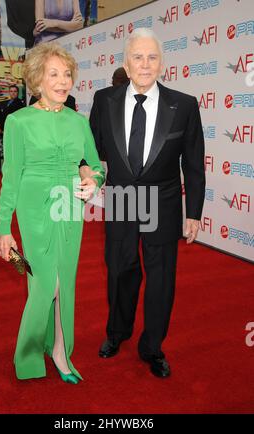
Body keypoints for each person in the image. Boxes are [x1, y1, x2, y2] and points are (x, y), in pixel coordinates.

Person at [89, 28, 205, 378]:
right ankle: (117, 332)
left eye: (152, 57)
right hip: (122, 198)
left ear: (162, 64)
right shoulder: (104, 99)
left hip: (164, 202)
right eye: (137, 57)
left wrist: (194, 214)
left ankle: (152, 346)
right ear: (126, 63)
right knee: (120, 271)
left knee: (161, 279)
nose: (145, 64)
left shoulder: (183, 105)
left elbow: (194, 164)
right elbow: (91, 153)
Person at [0, 42, 105, 382]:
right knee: (46, 283)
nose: (62, 81)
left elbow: (95, 165)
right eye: (53, 74)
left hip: (70, 206)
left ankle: (59, 348)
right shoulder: (19, 121)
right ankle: (28, 354)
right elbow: (11, 178)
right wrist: (4, 228)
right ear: (37, 80)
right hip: (34, 209)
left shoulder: (78, 121)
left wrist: (93, 181)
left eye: (67, 74)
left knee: (65, 281)